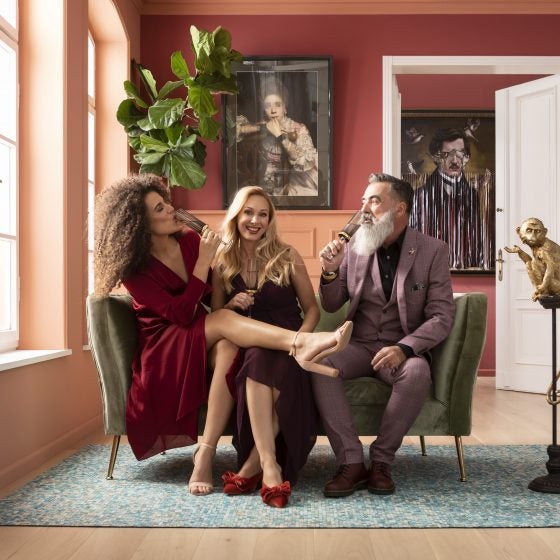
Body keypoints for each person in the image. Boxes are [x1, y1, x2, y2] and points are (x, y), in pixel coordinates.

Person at [93, 173, 351, 497]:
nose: (171, 209)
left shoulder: (189, 241)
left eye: (166, 202)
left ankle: (207, 451)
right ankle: (301, 343)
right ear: (140, 223)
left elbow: (208, 304)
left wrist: (224, 302)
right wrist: (205, 264)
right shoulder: (135, 270)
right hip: (164, 345)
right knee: (228, 327)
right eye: (159, 208)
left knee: (229, 346)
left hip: (201, 331)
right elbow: (181, 314)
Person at [311, 173, 455, 497]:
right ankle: (351, 462)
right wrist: (330, 271)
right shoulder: (354, 248)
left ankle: (381, 462)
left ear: (399, 208)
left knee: (417, 371)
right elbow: (332, 303)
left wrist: (405, 348)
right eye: (363, 201)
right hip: (358, 343)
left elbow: (441, 316)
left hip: (400, 347)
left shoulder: (433, 251)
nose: (364, 209)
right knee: (318, 363)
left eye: (374, 201)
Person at [212, 186, 321, 508]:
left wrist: (302, 341)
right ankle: (269, 465)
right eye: (248, 212)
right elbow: (217, 316)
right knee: (256, 358)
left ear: (270, 220)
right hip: (250, 345)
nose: (255, 220)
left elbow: (312, 309)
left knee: (269, 364)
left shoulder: (287, 255)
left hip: (290, 344)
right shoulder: (221, 261)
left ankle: (255, 467)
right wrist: (231, 304)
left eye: (263, 214)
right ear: (236, 216)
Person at [409, 128, 483, 269]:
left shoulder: (473, 195)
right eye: (447, 154)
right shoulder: (419, 196)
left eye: (460, 153)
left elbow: (478, 241)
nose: (455, 160)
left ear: (466, 157)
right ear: (436, 157)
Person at [236, 82, 318, 197]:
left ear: (285, 108)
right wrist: (262, 128)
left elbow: (305, 160)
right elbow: (235, 130)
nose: (273, 110)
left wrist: (280, 135)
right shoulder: (262, 125)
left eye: (278, 105)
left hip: (293, 185)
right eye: (268, 106)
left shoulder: (298, 129)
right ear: (264, 109)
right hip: (264, 184)